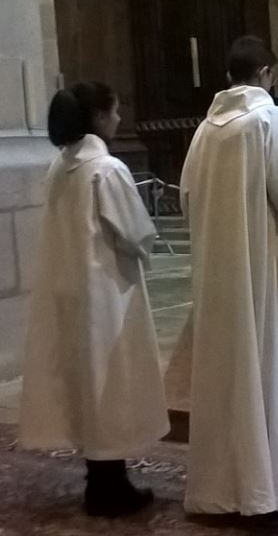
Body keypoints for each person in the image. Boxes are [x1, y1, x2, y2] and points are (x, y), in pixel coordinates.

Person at [181, 36, 278, 525]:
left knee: (234, 379)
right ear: (267, 73)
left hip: (222, 276)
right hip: (270, 274)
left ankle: (232, 491)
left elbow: (188, 199)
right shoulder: (273, 121)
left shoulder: (205, 131)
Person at [19, 82, 167, 517]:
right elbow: (137, 231)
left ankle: (99, 478)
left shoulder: (59, 168)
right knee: (109, 383)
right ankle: (109, 484)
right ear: (100, 118)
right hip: (105, 294)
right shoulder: (105, 169)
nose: (119, 120)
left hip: (70, 289)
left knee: (86, 382)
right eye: (116, 112)